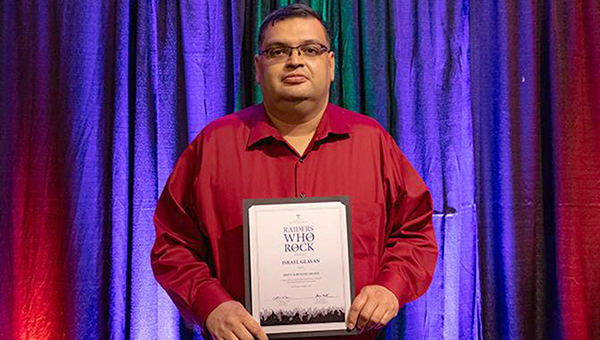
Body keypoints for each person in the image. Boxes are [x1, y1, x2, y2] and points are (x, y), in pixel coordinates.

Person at [151, 4, 437, 340]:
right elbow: (172, 245)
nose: (295, 60)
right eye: (277, 51)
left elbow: (415, 233)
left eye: (311, 49)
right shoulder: (213, 146)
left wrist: (391, 288)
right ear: (258, 68)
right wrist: (210, 304)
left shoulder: (372, 142)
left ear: (330, 65)